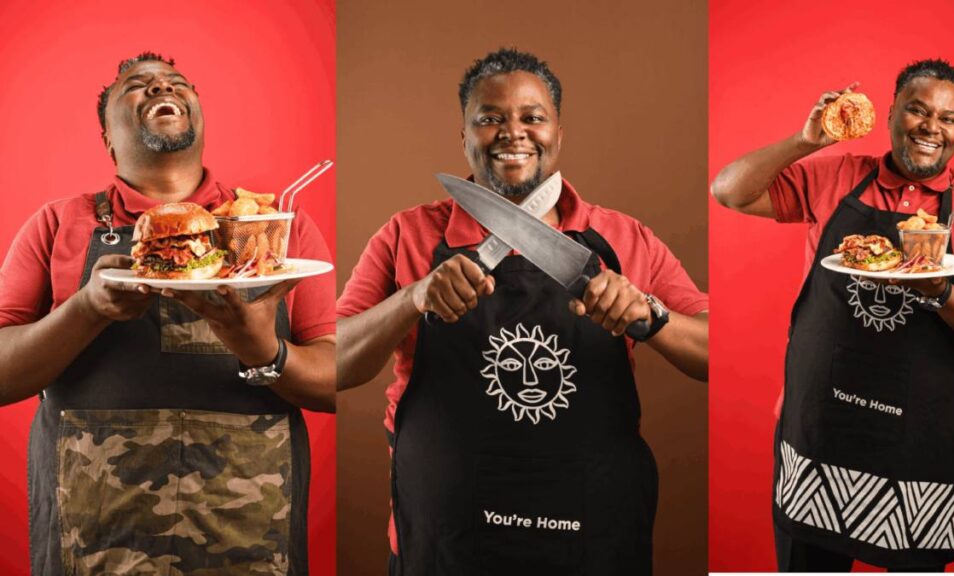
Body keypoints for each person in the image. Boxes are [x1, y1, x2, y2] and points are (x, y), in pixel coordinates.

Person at [337, 48, 709, 575]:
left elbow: (718, 350)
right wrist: (412, 299)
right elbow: (334, 363)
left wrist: (652, 316)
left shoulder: (623, 237)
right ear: (463, 136)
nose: (513, 133)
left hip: (591, 530)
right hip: (449, 533)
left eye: (532, 117)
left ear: (558, 132)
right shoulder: (406, 235)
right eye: (490, 119)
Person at [0, 52, 335, 574]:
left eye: (178, 83)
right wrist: (87, 310)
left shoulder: (269, 228)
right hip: (96, 537)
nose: (162, 87)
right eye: (137, 86)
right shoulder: (56, 224)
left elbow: (337, 380)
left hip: (247, 530)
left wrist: (263, 351)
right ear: (108, 138)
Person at [712, 59, 954, 571]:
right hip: (821, 431)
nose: (931, 127)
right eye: (917, 111)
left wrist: (942, 291)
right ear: (891, 114)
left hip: (917, 448)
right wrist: (806, 140)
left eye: (947, 119)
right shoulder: (837, 176)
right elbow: (729, 191)